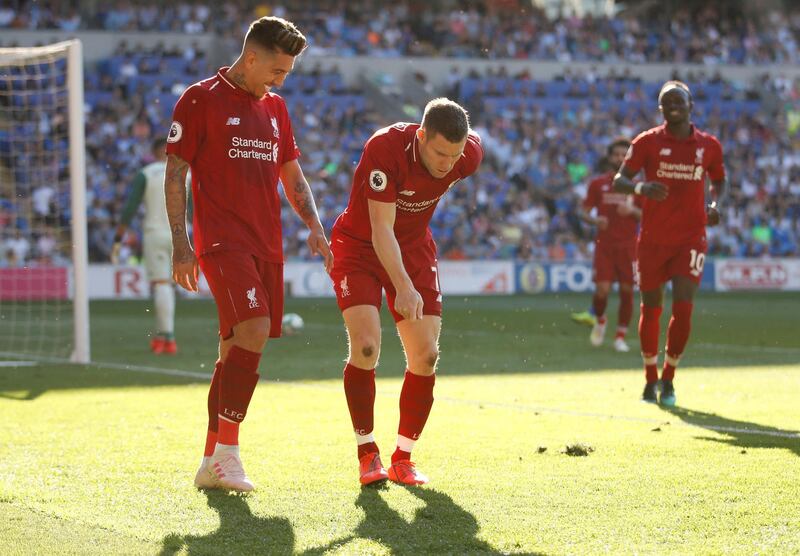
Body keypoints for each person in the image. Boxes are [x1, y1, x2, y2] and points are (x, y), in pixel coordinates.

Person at [164, 16, 333, 492]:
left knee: (233, 349)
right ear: (251, 56)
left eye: (287, 74)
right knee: (254, 330)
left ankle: (209, 460)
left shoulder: (276, 108)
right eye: (276, 71)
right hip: (221, 241)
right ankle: (230, 455)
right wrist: (182, 244)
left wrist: (316, 228)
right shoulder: (200, 99)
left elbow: (293, 176)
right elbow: (175, 172)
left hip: (267, 244)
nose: (280, 81)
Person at [329, 99, 483, 486]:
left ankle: (403, 457)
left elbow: (462, 152)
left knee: (426, 355)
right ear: (420, 135)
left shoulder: (469, 156)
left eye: (456, 154)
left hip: (413, 246)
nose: (448, 163)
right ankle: (368, 453)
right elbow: (381, 229)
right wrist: (403, 286)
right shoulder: (385, 150)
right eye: (439, 153)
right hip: (361, 244)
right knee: (366, 347)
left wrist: (408, 280)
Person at [613, 80, 727, 406]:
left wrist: (716, 205)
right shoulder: (647, 142)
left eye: (679, 100)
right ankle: (650, 378)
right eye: (667, 101)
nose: (673, 105)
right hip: (651, 240)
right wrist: (640, 189)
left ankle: (669, 379)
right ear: (660, 108)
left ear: (691, 105)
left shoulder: (709, 146)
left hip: (692, 238)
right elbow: (620, 180)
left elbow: (719, 181)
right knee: (651, 308)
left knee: (684, 307)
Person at [112, 137, 181, 355]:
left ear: (153, 152)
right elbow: (194, 206)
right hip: (180, 234)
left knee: (161, 285)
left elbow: (131, 206)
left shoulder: (146, 173)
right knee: (168, 286)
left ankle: (168, 338)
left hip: (155, 232)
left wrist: (118, 237)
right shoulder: (183, 172)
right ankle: (162, 335)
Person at [573, 138, 641, 352]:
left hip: (629, 246)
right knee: (602, 290)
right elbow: (583, 212)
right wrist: (595, 220)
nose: (620, 158)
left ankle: (620, 336)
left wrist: (632, 211)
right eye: (616, 154)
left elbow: (649, 216)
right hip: (604, 245)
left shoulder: (637, 187)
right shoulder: (598, 184)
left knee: (627, 291)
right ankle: (600, 319)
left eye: (624, 154)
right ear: (609, 157)